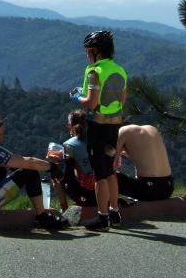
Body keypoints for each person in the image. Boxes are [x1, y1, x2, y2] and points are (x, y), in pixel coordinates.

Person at [0, 112, 68, 228]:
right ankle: (42, 218)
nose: (3, 127)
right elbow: (30, 162)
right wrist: (53, 168)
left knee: (0, 169)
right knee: (30, 172)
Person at [72, 30, 127, 231]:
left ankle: (102, 217)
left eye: (88, 50)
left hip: (97, 126)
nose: (87, 54)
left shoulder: (95, 72)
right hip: (114, 125)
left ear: (96, 51)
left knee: (100, 174)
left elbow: (92, 103)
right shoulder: (120, 70)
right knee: (110, 171)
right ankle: (114, 213)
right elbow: (122, 101)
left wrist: (77, 96)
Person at [114, 123, 174, 202]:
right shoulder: (151, 128)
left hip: (148, 190)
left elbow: (110, 160)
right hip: (168, 187)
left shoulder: (122, 131)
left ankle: (108, 203)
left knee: (108, 176)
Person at [53, 109, 97, 210]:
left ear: (70, 125)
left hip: (86, 195)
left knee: (55, 173)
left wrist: (58, 161)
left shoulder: (69, 144)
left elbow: (65, 171)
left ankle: (64, 208)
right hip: (105, 191)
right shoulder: (96, 138)